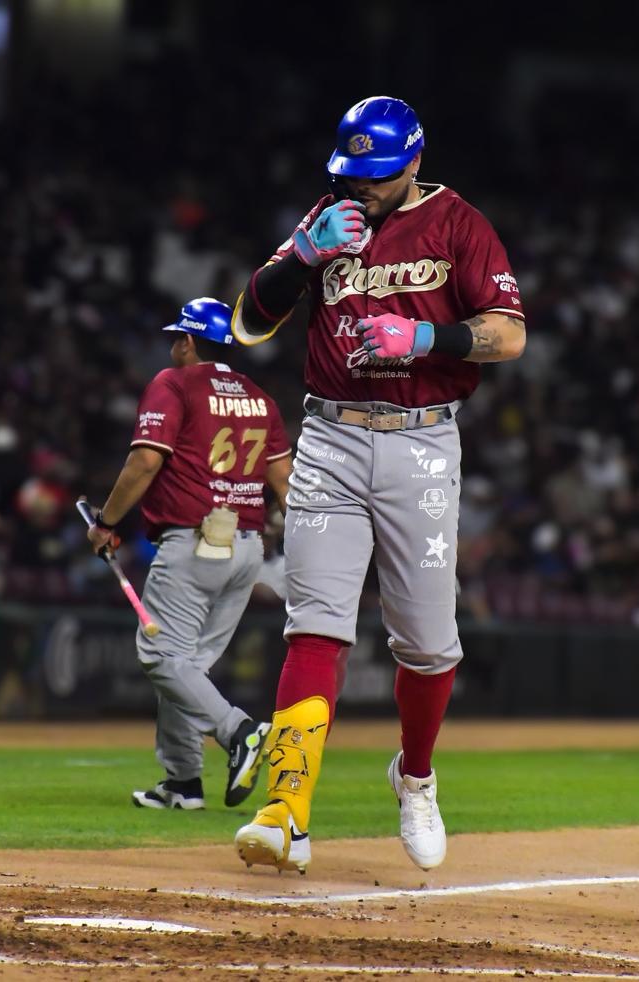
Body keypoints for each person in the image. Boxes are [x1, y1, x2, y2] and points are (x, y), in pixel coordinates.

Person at [228, 96, 526, 873]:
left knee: (427, 645)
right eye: (351, 174)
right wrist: (303, 254)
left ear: (415, 162)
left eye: (378, 175)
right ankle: (285, 809)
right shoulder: (329, 215)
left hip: (421, 443)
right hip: (328, 436)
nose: (362, 187)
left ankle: (416, 776)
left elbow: (510, 333)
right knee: (315, 624)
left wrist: (427, 336)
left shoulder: (460, 224)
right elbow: (247, 322)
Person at [85, 298, 293, 811]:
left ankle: (239, 730)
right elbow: (285, 485)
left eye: (178, 336)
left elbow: (145, 461)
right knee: (187, 669)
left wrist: (107, 523)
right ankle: (182, 782)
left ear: (190, 341)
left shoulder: (173, 383)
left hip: (195, 547)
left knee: (160, 656)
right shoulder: (260, 398)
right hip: (247, 550)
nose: (174, 344)